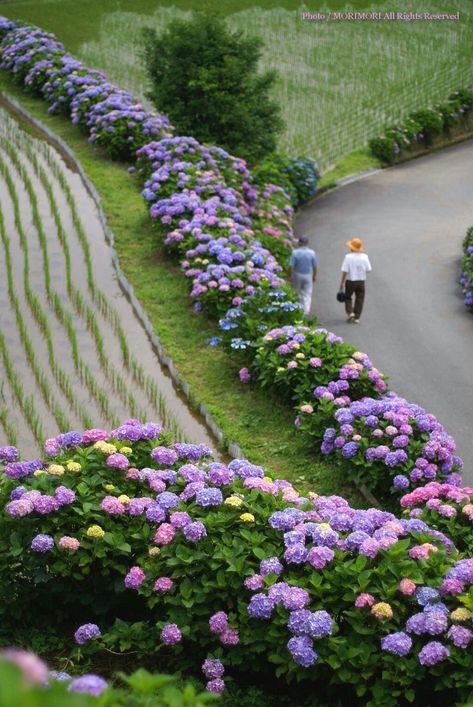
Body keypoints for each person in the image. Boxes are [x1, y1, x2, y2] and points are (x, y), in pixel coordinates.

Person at [339, 238, 372, 323]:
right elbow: (368, 269)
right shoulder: (365, 256)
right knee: (360, 298)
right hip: (361, 281)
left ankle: (350, 312)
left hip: (350, 280)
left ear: (351, 248)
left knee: (348, 297)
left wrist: (342, 282)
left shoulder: (348, 257)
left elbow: (345, 270)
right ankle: (357, 317)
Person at [288, 235, 317, 317]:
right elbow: (314, 266)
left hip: (297, 274)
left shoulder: (295, 253)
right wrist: (314, 276)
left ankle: (297, 308)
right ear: (307, 243)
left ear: (299, 242)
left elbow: (291, 266)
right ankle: (305, 311)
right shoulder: (312, 253)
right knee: (307, 294)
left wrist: (289, 276)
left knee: (297, 292)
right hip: (307, 274)